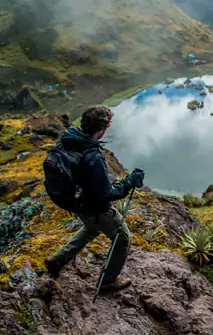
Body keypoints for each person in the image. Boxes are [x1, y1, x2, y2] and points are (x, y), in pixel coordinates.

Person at [44, 105, 144, 292]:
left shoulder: (70, 140)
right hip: (93, 207)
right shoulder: (93, 156)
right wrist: (130, 182)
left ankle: (57, 260)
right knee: (122, 238)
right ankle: (107, 282)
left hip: (75, 202)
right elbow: (106, 194)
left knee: (91, 229)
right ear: (102, 129)